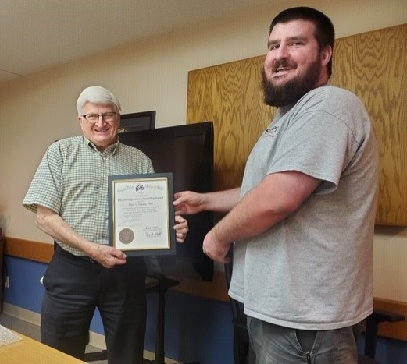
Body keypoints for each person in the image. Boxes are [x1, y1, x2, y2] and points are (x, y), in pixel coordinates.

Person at [174, 7, 379, 363]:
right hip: (273, 311)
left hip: (304, 321)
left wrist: (218, 235)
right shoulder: (286, 120)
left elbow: (278, 197)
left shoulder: (328, 105)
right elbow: (262, 188)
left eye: (295, 43)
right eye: (273, 46)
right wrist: (205, 200)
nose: (279, 55)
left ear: (325, 53)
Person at [23, 85, 188, 364]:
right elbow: (45, 217)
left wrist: (172, 228)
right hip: (71, 270)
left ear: (118, 118)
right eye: (92, 116)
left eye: (108, 115)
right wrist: (91, 249)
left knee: (128, 355)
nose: (101, 123)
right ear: (81, 121)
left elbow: (152, 213)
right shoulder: (59, 154)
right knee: (57, 355)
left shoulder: (139, 160)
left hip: (125, 273)